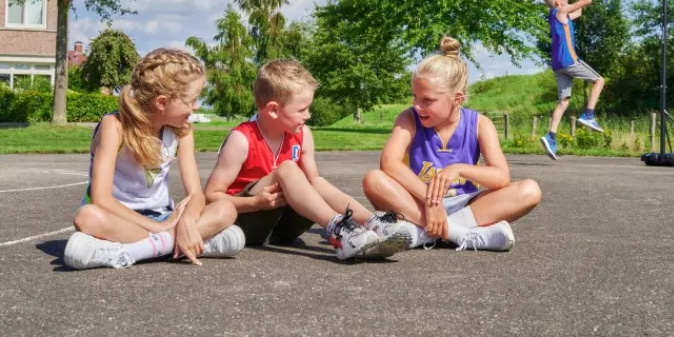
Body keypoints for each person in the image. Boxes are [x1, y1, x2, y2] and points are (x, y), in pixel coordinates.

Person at [203, 59, 411, 261]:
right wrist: (254, 202)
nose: (308, 115)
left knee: (314, 181)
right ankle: (340, 230)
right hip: (245, 222)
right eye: (302, 109)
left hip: (282, 229)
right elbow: (211, 196)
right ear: (273, 110)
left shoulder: (303, 135)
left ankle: (372, 224)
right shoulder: (241, 140)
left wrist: (364, 219)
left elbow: (316, 184)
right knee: (287, 169)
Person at [63, 48, 245, 270]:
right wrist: (159, 228)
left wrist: (187, 221)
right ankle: (191, 244)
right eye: (192, 100)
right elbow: (101, 199)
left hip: (163, 218)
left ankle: (132, 252)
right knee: (86, 217)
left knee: (226, 209)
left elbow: (196, 194)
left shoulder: (182, 131)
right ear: (162, 102)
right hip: (121, 220)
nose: (196, 107)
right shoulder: (115, 126)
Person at [361, 36, 542, 251]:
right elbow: (389, 163)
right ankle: (460, 234)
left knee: (530, 190)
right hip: (418, 204)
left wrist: (458, 169)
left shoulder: (480, 124)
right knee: (373, 180)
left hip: (467, 205)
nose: (417, 105)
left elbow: (501, 176)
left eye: (427, 100)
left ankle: (423, 234)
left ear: (457, 98)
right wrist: (432, 202)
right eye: (415, 97)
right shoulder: (409, 118)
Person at [540, 0, 605, 161]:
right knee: (599, 81)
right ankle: (589, 115)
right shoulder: (561, 12)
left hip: (557, 65)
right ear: (558, 3)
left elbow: (579, 11)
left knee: (564, 102)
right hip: (569, 60)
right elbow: (588, 0)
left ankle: (550, 137)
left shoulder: (559, 15)